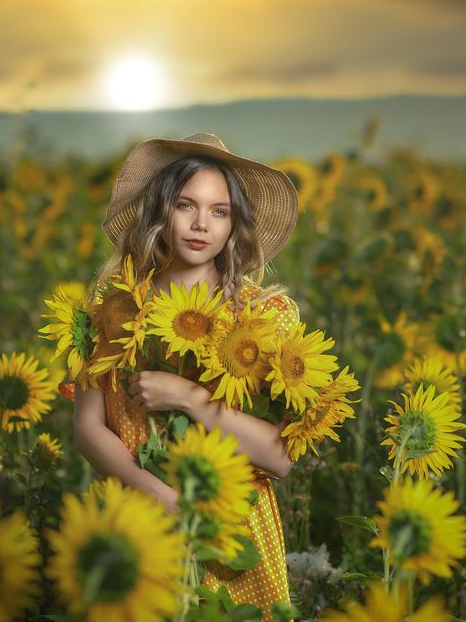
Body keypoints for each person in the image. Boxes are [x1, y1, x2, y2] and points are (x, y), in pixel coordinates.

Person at [72, 132, 300, 616]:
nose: (202, 224)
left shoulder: (262, 318)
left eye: (220, 211)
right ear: (160, 212)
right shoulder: (114, 309)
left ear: (235, 224)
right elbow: (88, 429)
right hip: (139, 521)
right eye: (185, 205)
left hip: (234, 531)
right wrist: (155, 492)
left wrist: (190, 399)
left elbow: (280, 458)